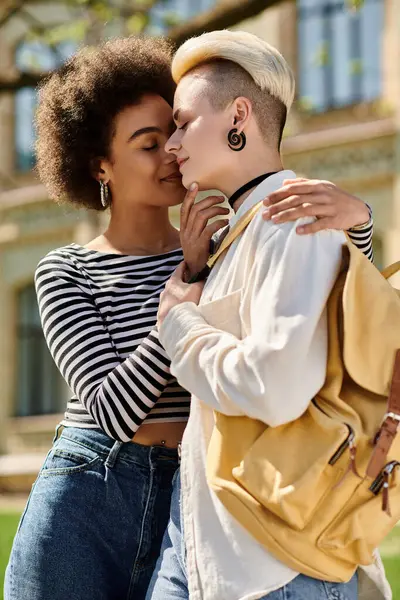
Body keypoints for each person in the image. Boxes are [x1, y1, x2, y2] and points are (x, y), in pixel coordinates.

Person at [4, 35, 375, 600]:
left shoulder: (227, 245)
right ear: (101, 164)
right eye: (150, 143)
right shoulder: (67, 269)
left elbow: (324, 315)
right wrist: (180, 300)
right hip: (92, 496)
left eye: (176, 131)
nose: (173, 151)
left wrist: (358, 224)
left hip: (194, 494)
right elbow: (111, 411)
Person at [148, 30, 390, 600]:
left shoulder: (293, 219)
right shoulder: (250, 227)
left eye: (183, 123)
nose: (172, 146)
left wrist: (179, 325)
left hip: (274, 564)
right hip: (211, 546)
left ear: (238, 116)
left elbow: (274, 385)